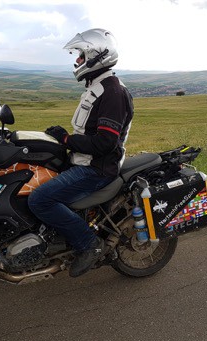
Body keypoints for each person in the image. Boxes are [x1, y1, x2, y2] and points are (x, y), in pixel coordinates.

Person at [28, 28, 134, 277]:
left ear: (96, 57)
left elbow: (105, 143)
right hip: (83, 161)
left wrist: (66, 139)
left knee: (40, 200)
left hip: (96, 170)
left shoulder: (113, 93)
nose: (76, 61)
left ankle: (89, 245)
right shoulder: (97, 87)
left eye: (80, 56)